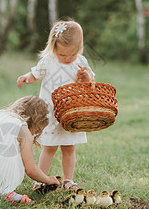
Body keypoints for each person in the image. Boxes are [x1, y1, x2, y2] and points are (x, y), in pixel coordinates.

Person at [17, 20, 95, 190]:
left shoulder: (80, 61)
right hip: (51, 113)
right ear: (53, 47)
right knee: (49, 147)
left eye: (71, 55)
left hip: (70, 114)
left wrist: (86, 78)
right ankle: (41, 179)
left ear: (79, 49)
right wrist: (26, 78)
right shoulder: (49, 60)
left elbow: (90, 82)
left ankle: (68, 180)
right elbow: (34, 75)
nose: (67, 59)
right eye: (62, 55)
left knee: (69, 147)